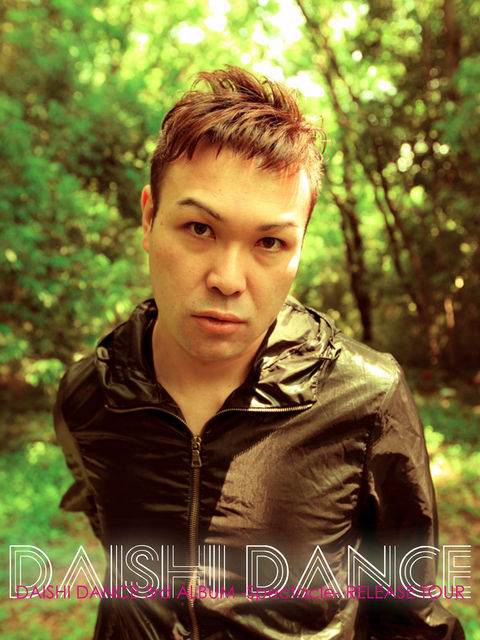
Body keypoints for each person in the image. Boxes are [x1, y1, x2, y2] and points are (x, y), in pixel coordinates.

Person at [54, 66, 464, 639]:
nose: (227, 279)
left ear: (299, 247)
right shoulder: (88, 396)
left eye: (269, 242)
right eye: (199, 229)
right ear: (149, 218)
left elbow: (411, 619)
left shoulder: (367, 398)